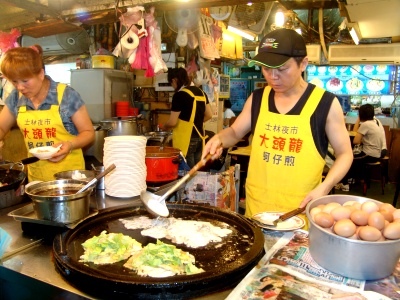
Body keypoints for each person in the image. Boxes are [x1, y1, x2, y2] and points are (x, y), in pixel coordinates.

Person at [202, 28, 353, 221]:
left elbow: (345, 154)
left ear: (303, 64)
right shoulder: (257, 99)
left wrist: (325, 186)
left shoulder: (325, 104)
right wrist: (219, 138)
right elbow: (234, 132)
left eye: (282, 69)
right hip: (258, 208)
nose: (273, 77)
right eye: (266, 69)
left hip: (300, 210)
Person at [0, 45, 94, 182]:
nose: (20, 87)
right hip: (36, 179)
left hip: (69, 179)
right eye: (14, 81)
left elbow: (88, 132)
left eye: (25, 81)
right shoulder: (16, 98)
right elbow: (2, 127)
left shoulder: (66, 96)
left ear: (41, 74)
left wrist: (70, 145)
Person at [161, 67, 212, 168]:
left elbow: (172, 122)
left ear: (174, 80)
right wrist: (195, 123)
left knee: (188, 174)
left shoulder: (179, 95)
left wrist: (164, 127)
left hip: (186, 140)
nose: (172, 86)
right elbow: (209, 115)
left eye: (171, 83)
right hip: (200, 137)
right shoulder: (201, 92)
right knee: (198, 170)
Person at [337, 104, 387, 190]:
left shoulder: (366, 124)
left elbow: (355, 141)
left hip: (369, 154)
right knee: (352, 158)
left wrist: (362, 139)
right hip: (376, 154)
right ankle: (350, 180)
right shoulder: (374, 123)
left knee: (348, 159)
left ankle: (345, 184)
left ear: (361, 114)